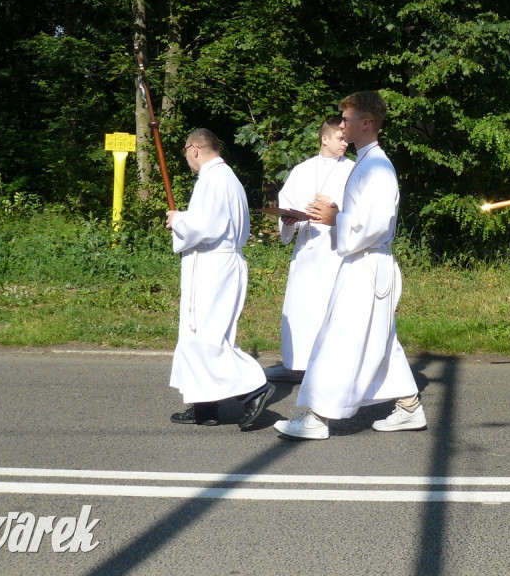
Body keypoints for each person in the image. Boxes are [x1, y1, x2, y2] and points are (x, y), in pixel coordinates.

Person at [274, 91, 425, 440]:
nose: (342, 125)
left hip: (366, 264)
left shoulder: (375, 166)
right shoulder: (366, 162)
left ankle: (316, 418)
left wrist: (334, 218)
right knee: (379, 341)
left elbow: (375, 224)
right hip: (362, 263)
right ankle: (409, 408)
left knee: (338, 340)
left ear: (367, 123)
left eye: (347, 119)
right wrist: (337, 216)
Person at [166, 128, 275, 430]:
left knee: (207, 337)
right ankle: (205, 405)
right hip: (217, 262)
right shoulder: (224, 177)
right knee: (194, 334)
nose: (186, 158)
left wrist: (178, 220)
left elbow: (206, 226)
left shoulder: (213, 179)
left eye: (185, 152)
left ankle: (254, 390)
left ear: (194, 149)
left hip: (213, 265)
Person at [263, 117, 354, 383]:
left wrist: (334, 211)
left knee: (330, 309)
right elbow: (286, 204)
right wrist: (288, 219)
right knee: (301, 308)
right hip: (306, 250)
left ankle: (331, 366)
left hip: (335, 249)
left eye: (347, 138)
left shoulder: (353, 170)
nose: (345, 143)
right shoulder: (302, 171)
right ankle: (296, 364)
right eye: (340, 138)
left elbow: (358, 210)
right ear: (324, 138)